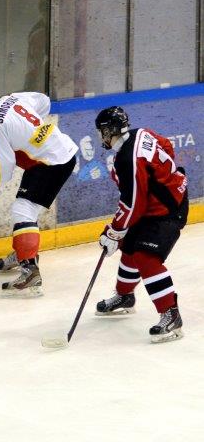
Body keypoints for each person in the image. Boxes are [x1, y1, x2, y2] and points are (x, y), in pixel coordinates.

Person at [0, 81, 78, 297]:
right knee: (28, 211)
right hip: (62, 151)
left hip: (49, 163)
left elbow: (2, 170)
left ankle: (29, 269)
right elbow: (43, 101)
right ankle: (24, 251)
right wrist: (30, 131)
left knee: (22, 210)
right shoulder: (12, 99)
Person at [93, 106, 188, 343]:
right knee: (130, 247)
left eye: (102, 132)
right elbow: (166, 146)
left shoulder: (128, 159)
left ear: (111, 131)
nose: (101, 136)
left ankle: (171, 315)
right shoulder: (141, 133)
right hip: (157, 203)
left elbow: (133, 203)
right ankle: (125, 297)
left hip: (167, 209)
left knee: (146, 257)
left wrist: (114, 232)